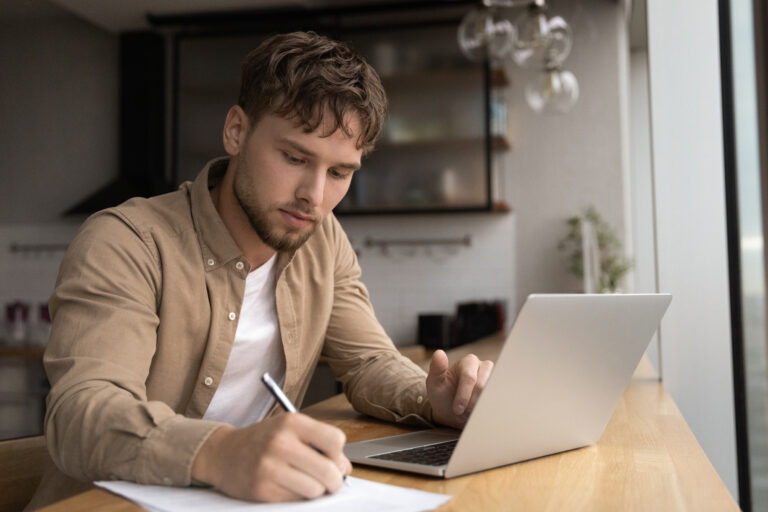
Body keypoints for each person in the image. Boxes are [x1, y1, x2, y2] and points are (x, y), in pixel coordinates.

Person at [29, 31, 493, 508]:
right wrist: (220, 450)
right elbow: (81, 413)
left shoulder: (323, 237)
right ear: (236, 131)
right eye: (294, 157)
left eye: (339, 173)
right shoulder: (127, 241)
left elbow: (369, 362)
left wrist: (432, 399)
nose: (314, 195)